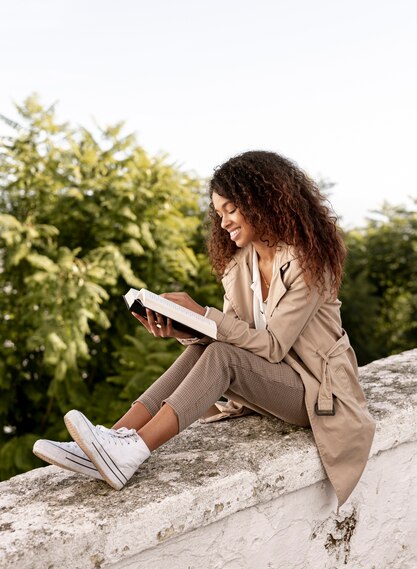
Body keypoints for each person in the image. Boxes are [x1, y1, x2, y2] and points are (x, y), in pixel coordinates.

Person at [33, 150, 376, 511]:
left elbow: (273, 347)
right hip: (274, 381)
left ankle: (134, 451)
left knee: (222, 357)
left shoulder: (309, 262)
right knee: (202, 349)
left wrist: (204, 312)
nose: (223, 221)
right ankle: (114, 438)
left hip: (316, 391)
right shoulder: (241, 263)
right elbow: (231, 333)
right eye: (218, 213)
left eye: (231, 209)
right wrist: (184, 327)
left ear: (262, 201)